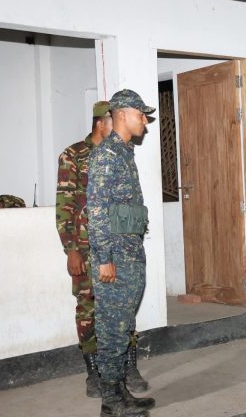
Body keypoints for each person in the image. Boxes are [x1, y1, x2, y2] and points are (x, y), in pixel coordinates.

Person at [88, 89, 157, 417]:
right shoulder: (106, 155)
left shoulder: (124, 153)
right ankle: (110, 402)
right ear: (123, 113)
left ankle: (120, 392)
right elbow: (97, 211)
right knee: (112, 331)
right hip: (114, 259)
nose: (145, 120)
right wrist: (104, 259)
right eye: (141, 114)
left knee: (123, 326)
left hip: (129, 254)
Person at [56, 101, 113, 397]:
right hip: (85, 245)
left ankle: (125, 366)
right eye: (115, 120)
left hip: (115, 246)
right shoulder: (73, 155)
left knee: (121, 304)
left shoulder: (117, 154)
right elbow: (64, 206)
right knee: (88, 306)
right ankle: (93, 371)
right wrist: (71, 249)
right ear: (101, 123)